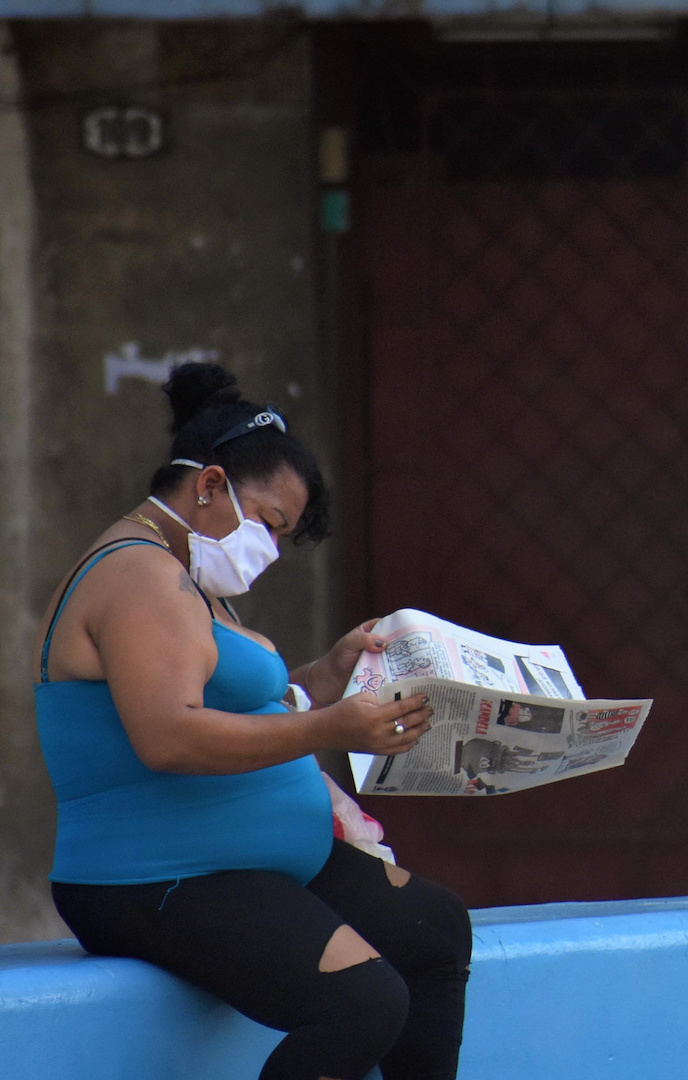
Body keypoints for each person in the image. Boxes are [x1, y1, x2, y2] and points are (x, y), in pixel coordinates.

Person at [33, 363, 472, 1080]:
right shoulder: (138, 576)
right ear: (209, 485)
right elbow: (171, 735)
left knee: (435, 930)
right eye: (269, 524)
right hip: (155, 876)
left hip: (252, 860)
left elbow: (240, 708)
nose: (268, 549)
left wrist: (324, 678)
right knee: (361, 1002)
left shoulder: (190, 582)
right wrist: (333, 728)